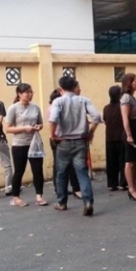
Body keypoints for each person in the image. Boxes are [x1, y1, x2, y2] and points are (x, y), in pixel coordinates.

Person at [49, 76, 101, 215]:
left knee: (61, 173)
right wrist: (91, 132)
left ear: (61, 88)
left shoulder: (58, 101)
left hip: (64, 142)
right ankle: (88, 201)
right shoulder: (84, 100)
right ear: (74, 86)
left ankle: (62, 202)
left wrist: (52, 135)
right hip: (81, 141)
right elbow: (96, 117)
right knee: (82, 173)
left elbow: (53, 119)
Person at [5, 83, 46, 207]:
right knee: (19, 171)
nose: (30, 94)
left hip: (35, 143)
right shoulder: (13, 108)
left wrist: (38, 127)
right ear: (19, 94)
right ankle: (16, 197)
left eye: (31, 92)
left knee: (37, 170)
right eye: (27, 92)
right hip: (20, 144)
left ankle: (39, 195)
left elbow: (41, 123)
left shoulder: (36, 107)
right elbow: (8, 128)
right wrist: (24, 128)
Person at [47, 89, 81, 198]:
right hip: (61, 138)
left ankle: (59, 189)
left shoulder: (50, 108)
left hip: (55, 137)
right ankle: (74, 188)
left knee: (58, 164)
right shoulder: (57, 107)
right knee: (70, 164)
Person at [120, 73, 136, 201]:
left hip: (135, 128)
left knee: (135, 161)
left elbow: (133, 115)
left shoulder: (132, 97)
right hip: (130, 130)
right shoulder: (126, 97)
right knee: (130, 161)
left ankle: (134, 187)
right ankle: (131, 188)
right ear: (129, 83)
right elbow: (125, 117)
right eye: (135, 81)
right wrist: (129, 135)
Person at [103, 86, 126, 191]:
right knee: (122, 160)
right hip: (121, 136)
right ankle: (123, 182)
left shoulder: (106, 108)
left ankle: (112, 183)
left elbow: (105, 120)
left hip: (110, 137)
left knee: (111, 162)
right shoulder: (121, 107)